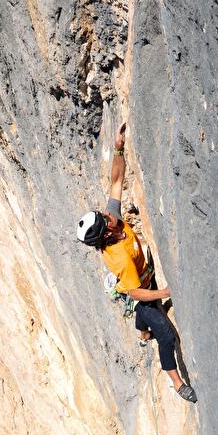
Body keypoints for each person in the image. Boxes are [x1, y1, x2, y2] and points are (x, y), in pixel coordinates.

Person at [76, 125, 197, 403]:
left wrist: (118, 147)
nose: (110, 215)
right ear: (105, 234)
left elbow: (116, 180)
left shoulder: (112, 221)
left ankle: (142, 331)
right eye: (106, 220)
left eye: (106, 216)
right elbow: (135, 293)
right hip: (140, 287)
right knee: (165, 334)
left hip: (144, 276)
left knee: (146, 322)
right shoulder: (118, 257)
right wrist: (165, 294)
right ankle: (177, 383)